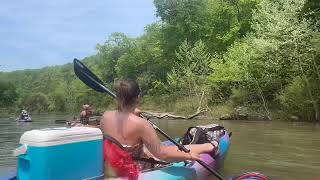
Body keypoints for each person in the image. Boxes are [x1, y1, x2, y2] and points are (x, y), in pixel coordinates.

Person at [100, 80, 219, 180]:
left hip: (112, 168)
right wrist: (188, 156)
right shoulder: (141, 124)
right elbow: (163, 155)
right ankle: (210, 146)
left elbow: (121, 124)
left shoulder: (105, 116)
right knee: (164, 149)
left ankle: (208, 146)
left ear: (118, 97)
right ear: (138, 97)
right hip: (132, 170)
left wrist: (131, 113)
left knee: (148, 149)